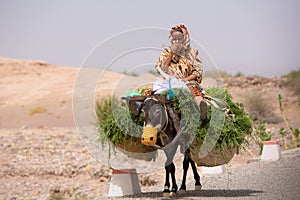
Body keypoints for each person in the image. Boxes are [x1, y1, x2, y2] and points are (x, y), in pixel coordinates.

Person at [155, 24, 208, 120]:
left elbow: (197, 72)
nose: (177, 41)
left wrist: (184, 80)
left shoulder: (193, 52)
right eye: (174, 39)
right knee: (151, 91)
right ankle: (138, 107)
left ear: (185, 38)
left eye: (179, 39)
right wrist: (171, 53)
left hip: (187, 82)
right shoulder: (166, 51)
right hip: (168, 81)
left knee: (193, 89)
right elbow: (162, 69)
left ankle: (202, 108)